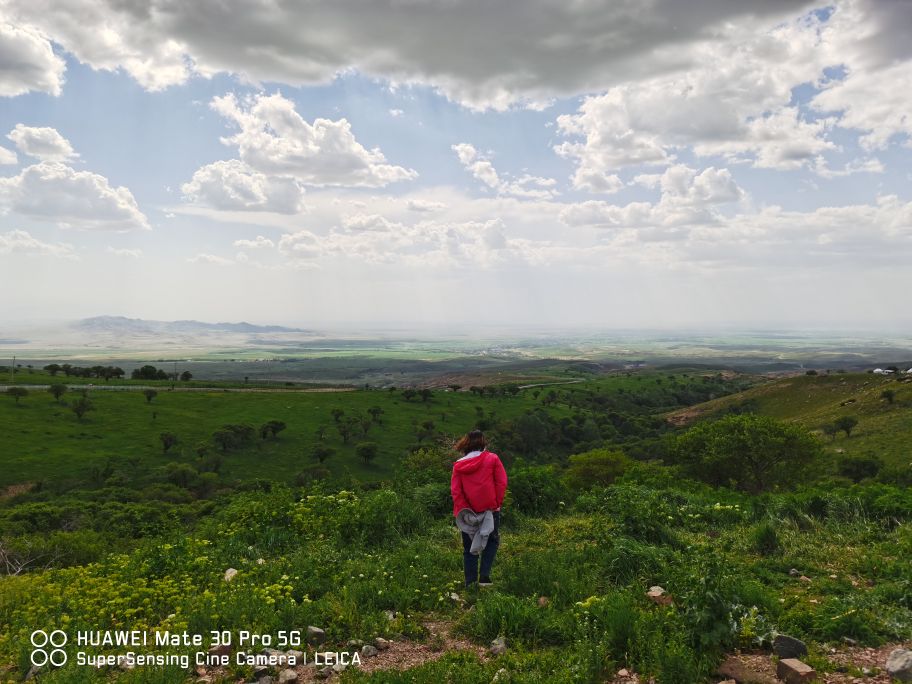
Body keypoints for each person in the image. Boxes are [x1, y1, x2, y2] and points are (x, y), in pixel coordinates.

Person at [450, 429, 508, 587]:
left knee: (469, 547)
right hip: (490, 509)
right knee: (492, 541)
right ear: (483, 442)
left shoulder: (458, 466)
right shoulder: (492, 459)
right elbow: (501, 482)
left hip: (467, 513)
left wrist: (464, 510)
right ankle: (484, 576)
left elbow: (456, 491)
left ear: (465, 444)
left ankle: (470, 583)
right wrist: (496, 503)